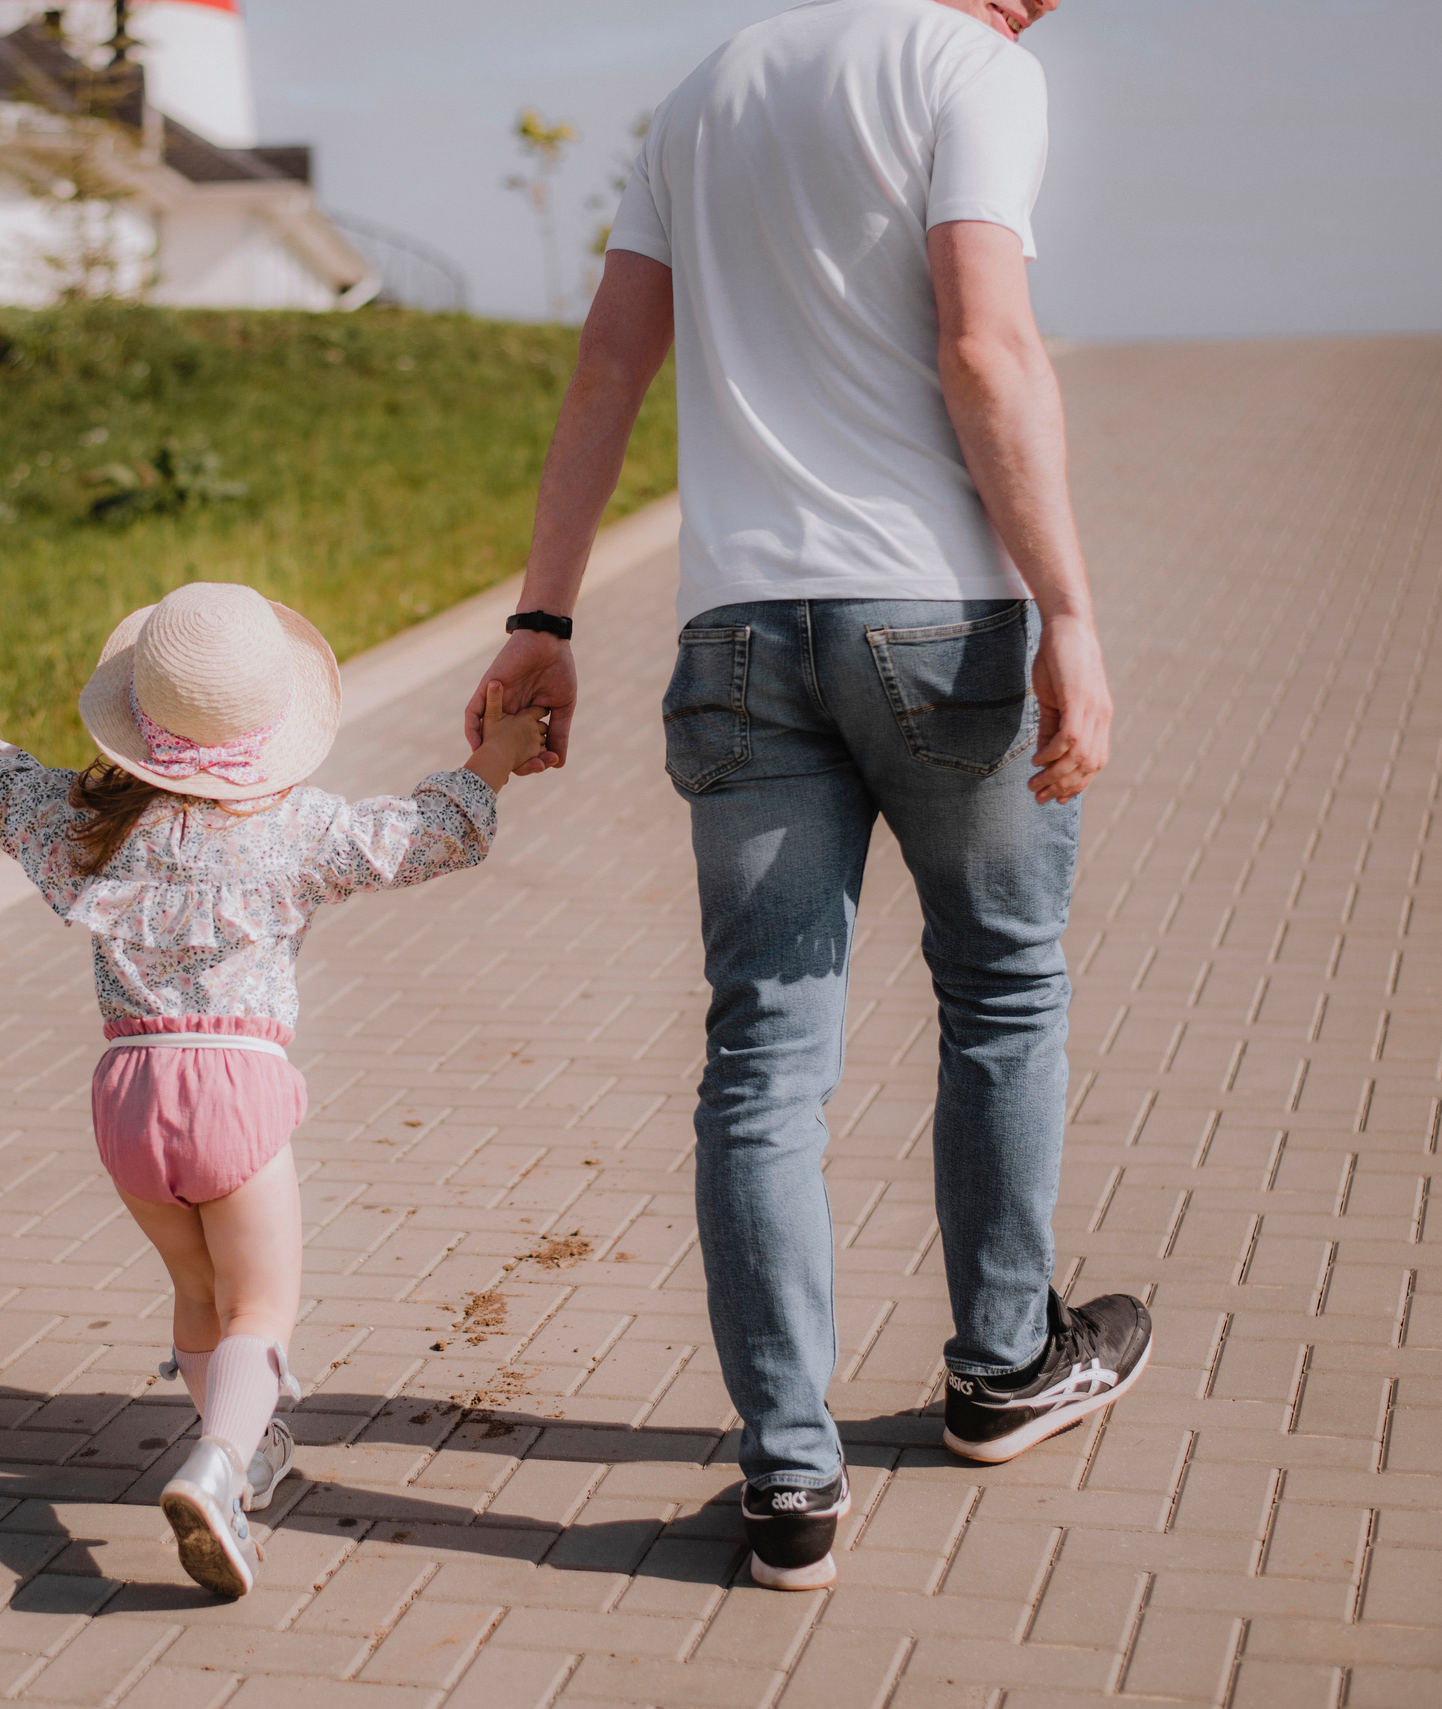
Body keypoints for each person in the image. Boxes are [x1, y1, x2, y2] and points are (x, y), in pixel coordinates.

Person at [464, 0, 1151, 1591]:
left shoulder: (706, 88)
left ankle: (789, 1485)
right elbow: (984, 342)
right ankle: (1003, 1369)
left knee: (765, 1051)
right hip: (938, 619)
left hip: (739, 632)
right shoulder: (973, 71)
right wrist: (1073, 612)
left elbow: (609, 363)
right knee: (1002, 986)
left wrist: (544, 617)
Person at [0, 581, 547, 1596]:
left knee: (199, 1292)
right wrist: (493, 758)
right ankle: (216, 1468)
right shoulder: (296, 829)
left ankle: (240, 1444)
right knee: (262, 1306)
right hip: (234, 1087)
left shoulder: (87, 823)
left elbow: (0, 793)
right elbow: (419, 834)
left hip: (126, 1093)